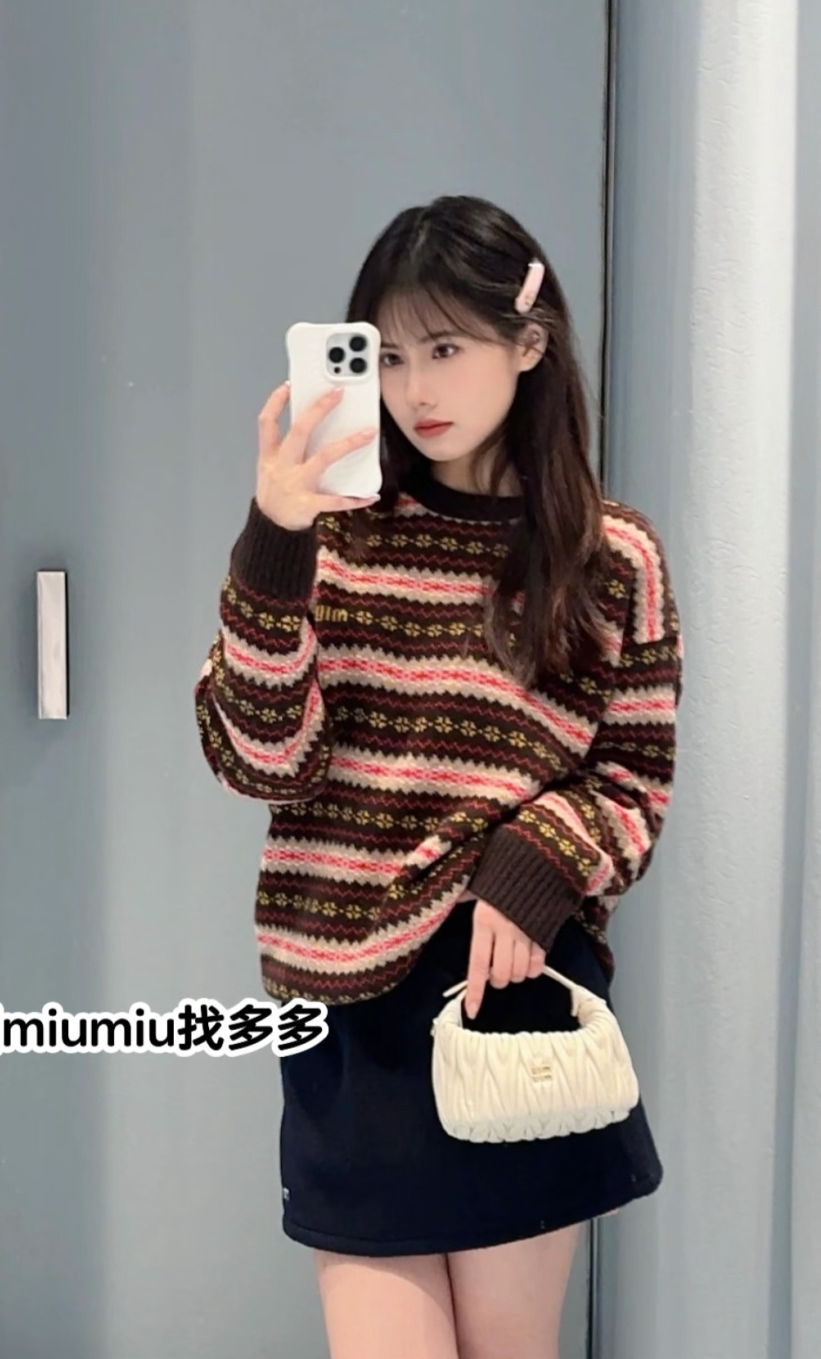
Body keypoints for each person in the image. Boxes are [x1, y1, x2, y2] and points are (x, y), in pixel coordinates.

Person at [193, 194, 683, 1359]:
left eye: (448, 348)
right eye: (392, 354)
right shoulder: (333, 532)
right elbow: (257, 754)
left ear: (530, 343)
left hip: (504, 985)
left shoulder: (610, 558)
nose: (417, 388)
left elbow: (635, 775)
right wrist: (275, 535)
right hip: (344, 1003)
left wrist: (532, 866)